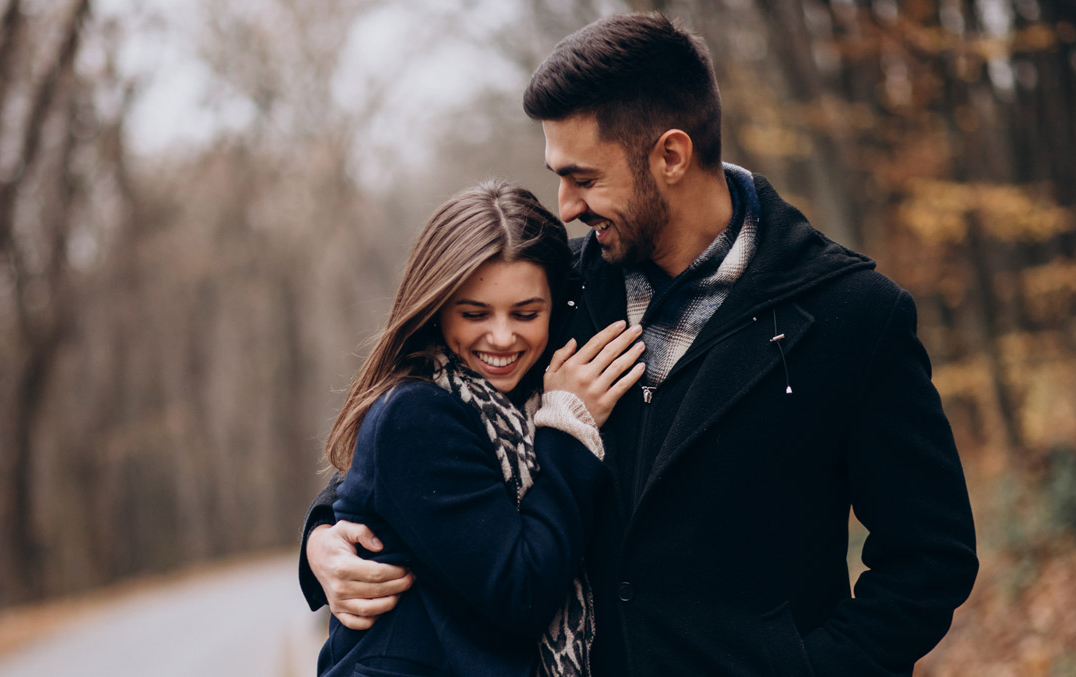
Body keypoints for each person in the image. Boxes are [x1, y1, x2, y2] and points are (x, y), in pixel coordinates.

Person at [301, 13, 979, 676]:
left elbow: (930, 555)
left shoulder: (851, 315)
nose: (563, 205)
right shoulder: (552, 297)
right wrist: (326, 539)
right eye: (558, 174)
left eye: (583, 177)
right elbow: (424, 431)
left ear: (672, 156)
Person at [315, 180, 646, 677]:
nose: (501, 337)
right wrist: (567, 428)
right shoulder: (417, 413)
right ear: (436, 307)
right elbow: (522, 591)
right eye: (474, 313)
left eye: (526, 313)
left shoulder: (524, 394)